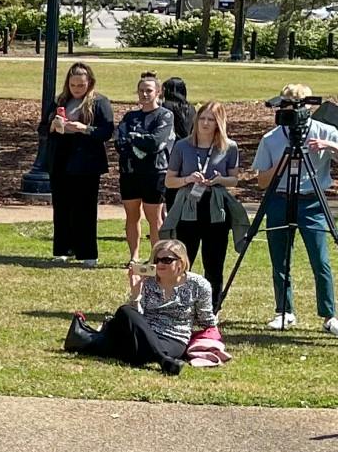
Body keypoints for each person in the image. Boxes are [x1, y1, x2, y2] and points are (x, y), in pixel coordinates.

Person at [251, 83, 338, 333]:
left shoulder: (325, 131)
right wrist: (283, 160)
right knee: (280, 258)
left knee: (320, 259)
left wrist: (329, 147)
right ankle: (284, 310)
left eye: (292, 107)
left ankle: (328, 315)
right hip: (279, 199)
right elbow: (262, 181)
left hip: (312, 201)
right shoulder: (272, 137)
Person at [67, 239, 216, 374]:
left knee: (128, 349)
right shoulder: (148, 282)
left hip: (173, 337)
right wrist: (136, 293)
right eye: (157, 260)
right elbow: (137, 317)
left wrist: (211, 324)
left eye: (166, 260)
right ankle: (162, 360)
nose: (160, 264)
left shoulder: (198, 285)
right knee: (125, 311)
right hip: (143, 331)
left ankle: (85, 340)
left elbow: (205, 320)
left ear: (181, 262)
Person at [166, 100, 242, 302]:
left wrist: (219, 180)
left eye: (211, 119)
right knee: (183, 260)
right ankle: (179, 302)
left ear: (219, 123)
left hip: (216, 209)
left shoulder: (229, 147)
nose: (206, 123)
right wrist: (188, 179)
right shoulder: (183, 146)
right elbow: (169, 180)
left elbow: (234, 179)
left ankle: (212, 308)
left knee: (214, 263)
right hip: (188, 207)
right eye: (202, 118)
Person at [46, 61, 114, 265]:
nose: (77, 89)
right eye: (73, 85)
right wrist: (53, 126)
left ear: (90, 83)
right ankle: (63, 249)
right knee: (62, 206)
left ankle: (87, 253)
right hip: (61, 161)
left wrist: (84, 129)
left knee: (85, 208)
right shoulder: (60, 101)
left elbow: (106, 132)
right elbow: (42, 128)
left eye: (81, 85)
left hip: (87, 163)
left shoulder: (100, 102)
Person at [115, 72, 176, 266]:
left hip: (155, 172)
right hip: (130, 172)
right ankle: (134, 257)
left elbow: (156, 142)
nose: (144, 94)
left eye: (149, 90)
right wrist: (139, 140)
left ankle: (156, 258)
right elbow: (120, 142)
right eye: (141, 91)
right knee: (132, 215)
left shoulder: (165, 115)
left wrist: (135, 138)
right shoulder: (130, 116)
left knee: (154, 217)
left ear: (158, 92)